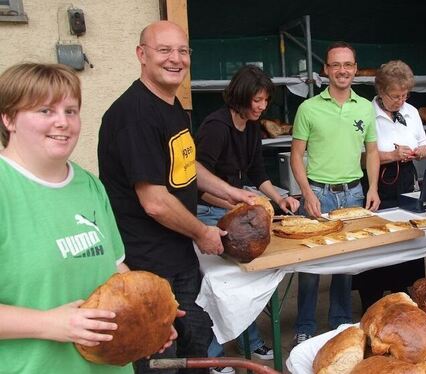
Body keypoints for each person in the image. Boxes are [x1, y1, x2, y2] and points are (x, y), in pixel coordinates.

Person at [98, 21, 256, 374]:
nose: (176, 59)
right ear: (142, 55)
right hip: (149, 264)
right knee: (160, 359)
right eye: (164, 50)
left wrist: (230, 191)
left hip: (179, 257)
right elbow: (153, 200)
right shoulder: (133, 114)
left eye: (182, 51)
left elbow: (186, 164)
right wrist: (202, 232)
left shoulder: (172, 108)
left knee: (193, 351)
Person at [0, 63, 174, 373]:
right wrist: (47, 324)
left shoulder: (89, 185)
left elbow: (114, 266)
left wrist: (148, 317)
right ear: (8, 118)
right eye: (44, 111)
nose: (62, 122)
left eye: (71, 111)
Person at [195, 65, 300, 364]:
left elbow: (257, 172)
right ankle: (214, 357)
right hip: (207, 211)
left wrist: (280, 198)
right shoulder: (215, 126)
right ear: (240, 97)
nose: (262, 106)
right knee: (219, 286)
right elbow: (196, 182)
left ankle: (248, 340)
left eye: (265, 100)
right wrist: (233, 203)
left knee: (243, 282)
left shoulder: (252, 126)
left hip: (234, 208)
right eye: (257, 100)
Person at [290, 41, 380, 345]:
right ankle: (305, 324)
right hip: (319, 193)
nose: (342, 71)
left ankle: (340, 322)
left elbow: (372, 152)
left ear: (355, 69)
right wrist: (307, 193)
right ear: (326, 70)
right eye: (335, 65)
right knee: (311, 265)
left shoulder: (366, 107)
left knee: (345, 265)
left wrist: (374, 187)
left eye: (348, 65)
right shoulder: (308, 108)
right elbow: (296, 156)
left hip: (353, 194)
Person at [352, 60, 426, 311]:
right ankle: (371, 297)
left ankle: (402, 293)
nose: (400, 101)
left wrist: (419, 152)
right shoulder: (366, 114)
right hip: (377, 181)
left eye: (404, 95)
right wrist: (393, 156)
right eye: (395, 96)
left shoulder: (412, 112)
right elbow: (361, 157)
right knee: (376, 238)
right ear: (381, 92)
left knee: (406, 236)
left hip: (406, 179)